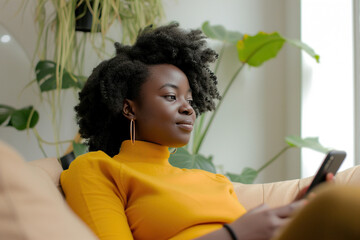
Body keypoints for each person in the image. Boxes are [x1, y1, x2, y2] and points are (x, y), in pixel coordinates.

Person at [60, 23, 360, 240]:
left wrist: (296, 214)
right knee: (341, 206)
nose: (188, 108)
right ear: (129, 108)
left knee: (335, 207)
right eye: (170, 96)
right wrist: (233, 234)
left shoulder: (212, 180)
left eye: (190, 100)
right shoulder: (97, 169)